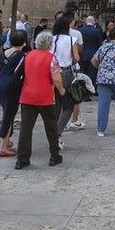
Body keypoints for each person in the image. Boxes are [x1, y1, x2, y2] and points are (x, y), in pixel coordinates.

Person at [14, 32, 67, 169]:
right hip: (45, 97)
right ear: (50, 44)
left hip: (27, 96)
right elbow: (56, 78)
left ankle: (22, 158)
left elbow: (18, 73)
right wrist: (61, 90)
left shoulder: (27, 56)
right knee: (51, 127)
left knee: (26, 129)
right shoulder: (51, 58)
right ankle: (54, 155)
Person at [0, 29, 29, 157]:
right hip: (12, 86)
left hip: (1, 83)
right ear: (24, 42)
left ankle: (7, 140)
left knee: (6, 111)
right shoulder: (22, 56)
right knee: (8, 116)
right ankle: (3, 147)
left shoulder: (4, 53)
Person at [51, 13, 84, 136]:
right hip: (66, 72)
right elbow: (76, 58)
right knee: (68, 105)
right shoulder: (72, 40)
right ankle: (57, 132)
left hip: (53, 71)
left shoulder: (51, 39)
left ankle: (53, 129)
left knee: (56, 104)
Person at [78, 15, 104, 87]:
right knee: (92, 73)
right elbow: (99, 44)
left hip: (82, 54)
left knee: (83, 73)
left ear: (86, 22)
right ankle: (91, 88)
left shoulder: (80, 30)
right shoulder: (97, 31)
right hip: (93, 55)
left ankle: (83, 88)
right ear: (93, 22)